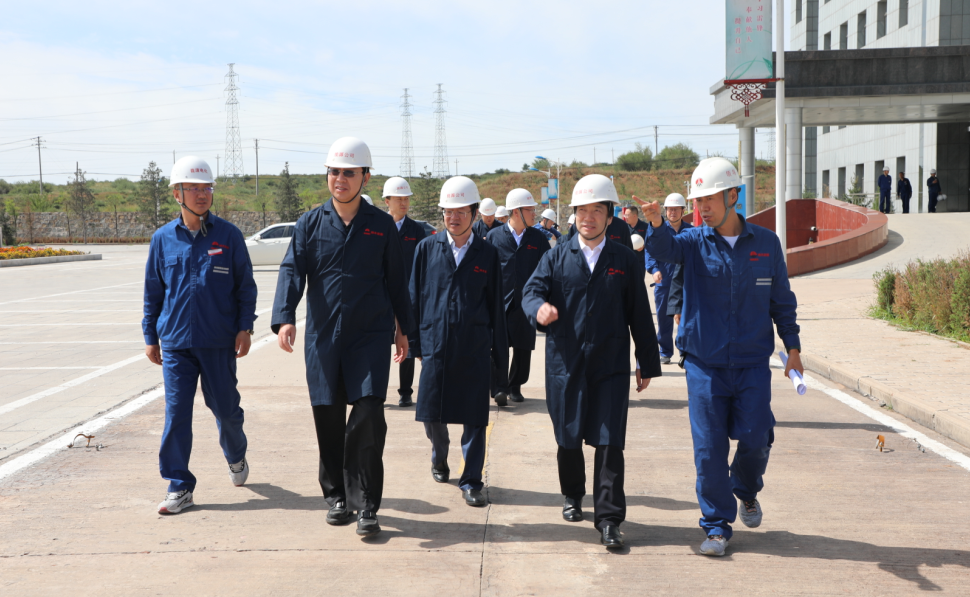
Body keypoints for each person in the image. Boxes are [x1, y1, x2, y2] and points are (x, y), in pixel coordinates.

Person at [638, 157, 802, 557]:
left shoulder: (766, 244)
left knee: (757, 435)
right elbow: (665, 250)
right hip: (704, 365)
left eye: (709, 199)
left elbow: (781, 300)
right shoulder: (692, 242)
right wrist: (656, 223)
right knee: (709, 449)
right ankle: (715, 526)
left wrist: (793, 348)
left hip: (752, 363)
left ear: (733, 196)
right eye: (698, 201)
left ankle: (744, 488)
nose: (703, 208)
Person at [271, 137, 413, 538]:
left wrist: (403, 329)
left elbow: (397, 280)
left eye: (349, 173)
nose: (340, 179)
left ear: (365, 177)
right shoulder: (310, 224)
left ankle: (366, 504)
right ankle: (336, 496)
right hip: (324, 338)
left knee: (369, 413)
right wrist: (285, 317)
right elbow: (291, 270)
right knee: (329, 417)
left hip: (369, 337)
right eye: (334, 172)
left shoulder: (381, 225)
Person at [522, 174, 661, 550]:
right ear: (574, 215)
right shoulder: (556, 256)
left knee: (609, 440)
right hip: (565, 365)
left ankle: (610, 519)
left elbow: (639, 314)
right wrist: (539, 308)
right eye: (582, 210)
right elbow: (531, 291)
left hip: (609, 364)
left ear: (610, 216)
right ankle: (572, 494)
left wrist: (646, 361)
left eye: (597, 210)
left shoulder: (624, 260)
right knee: (568, 438)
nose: (589, 217)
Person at [143, 156, 258, 515]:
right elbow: (153, 292)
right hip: (176, 343)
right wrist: (150, 336)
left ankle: (236, 455)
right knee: (176, 414)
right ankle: (179, 485)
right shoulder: (162, 239)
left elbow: (245, 286)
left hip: (218, 340)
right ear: (177, 193)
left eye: (206, 187)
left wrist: (245, 327)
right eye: (192, 188)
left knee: (225, 410)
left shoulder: (229, 235)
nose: (201, 194)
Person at [409, 176, 509, 507]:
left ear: (474, 213)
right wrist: (416, 344)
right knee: (431, 414)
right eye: (448, 211)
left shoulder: (487, 254)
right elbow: (414, 298)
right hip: (435, 346)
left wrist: (500, 357)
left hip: (474, 347)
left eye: (461, 212)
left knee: (475, 417)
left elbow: (496, 306)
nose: (453, 218)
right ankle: (439, 456)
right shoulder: (426, 249)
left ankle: (472, 480)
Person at [487, 189, 550, 404]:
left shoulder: (538, 238)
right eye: (530, 210)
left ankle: (515, 386)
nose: (534, 214)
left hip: (526, 302)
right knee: (498, 346)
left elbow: (547, 267)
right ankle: (499, 388)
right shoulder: (495, 236)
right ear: (516, 212)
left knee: (523, 347)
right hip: (500, 301)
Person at [383, 176, 427, 407]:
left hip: (408, 297)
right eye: (398, 199)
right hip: (381, 296)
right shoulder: (377, 227)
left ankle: (406, 392)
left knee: (407, 345)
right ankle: (375, 391)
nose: (403, 203)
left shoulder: (416, 231)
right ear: (387, 201)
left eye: (406, 199)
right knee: (379, 345)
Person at [643, 193, 693, 365]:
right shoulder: (657, 229)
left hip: (685, 284)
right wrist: (654, 269)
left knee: (685, 319)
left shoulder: (691, 231)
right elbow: (650, 251)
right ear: (665, 211)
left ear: (683, 211)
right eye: (670, 209)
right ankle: (665, 351)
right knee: (664, 320)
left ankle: (685, 351)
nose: (673, 212)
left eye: (676, 209)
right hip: (664, 283)